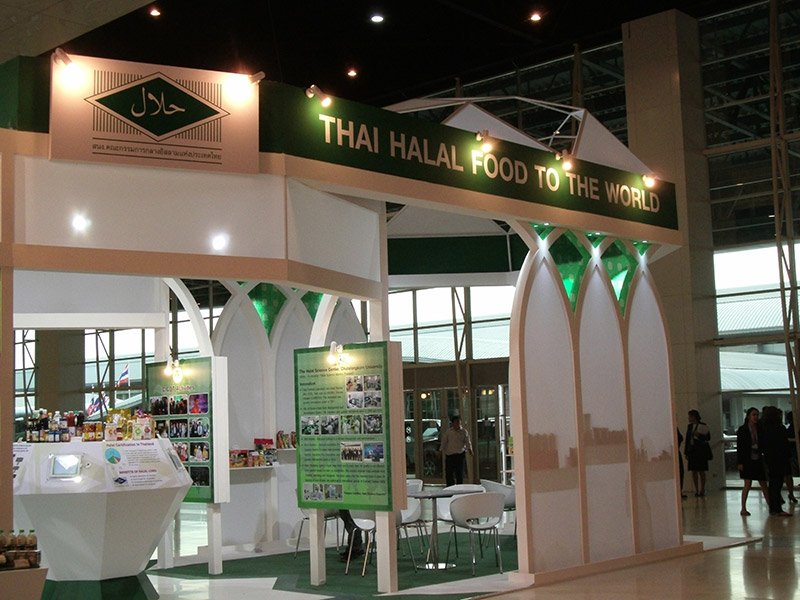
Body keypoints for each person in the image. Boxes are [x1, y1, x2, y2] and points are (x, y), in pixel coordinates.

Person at [760, 406, 792, 516]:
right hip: (780, 458)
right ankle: (777, 508)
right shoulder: (780, 428)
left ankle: (773, 507)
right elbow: (784, 444)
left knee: (773, 483)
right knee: (777, 483)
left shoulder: (764, 429)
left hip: (770, 458)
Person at [736, 407, 768, 516]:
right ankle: (743, 508)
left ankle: (771, 506)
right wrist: (740, 462)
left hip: (758, 458)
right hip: (747, 459)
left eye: (757, 415)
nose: (756, 417)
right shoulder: (743, 429)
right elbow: (740, 447)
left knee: (763, 483)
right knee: (747, 483)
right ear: (748, 416)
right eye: (754, 415)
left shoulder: (760, 428)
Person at [685, 409, 711, 497]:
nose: (688, 418)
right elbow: (687, 439)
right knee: (694, 471)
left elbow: (708, 438)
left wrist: (699, 435)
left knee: (701, 471)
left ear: (694, 417)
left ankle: (702, 489)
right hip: (692, 451)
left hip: (700, 451)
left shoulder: (703, 425)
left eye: (690, 416)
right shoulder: (689, 426)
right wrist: (686, 452)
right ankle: (696, 489)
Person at [440, 415, 472, 486]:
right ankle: (450, 487)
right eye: (456, 422)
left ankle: (459, 487)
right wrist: (441, 449)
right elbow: (444, 441)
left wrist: (470, 449)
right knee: (449, 473)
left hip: (460, 455)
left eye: (459, 422)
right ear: (452, 423)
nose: (458, 423)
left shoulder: (464, 431)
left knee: (459, 473)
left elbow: (467, 441)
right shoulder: (449, 432)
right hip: (450, 455)